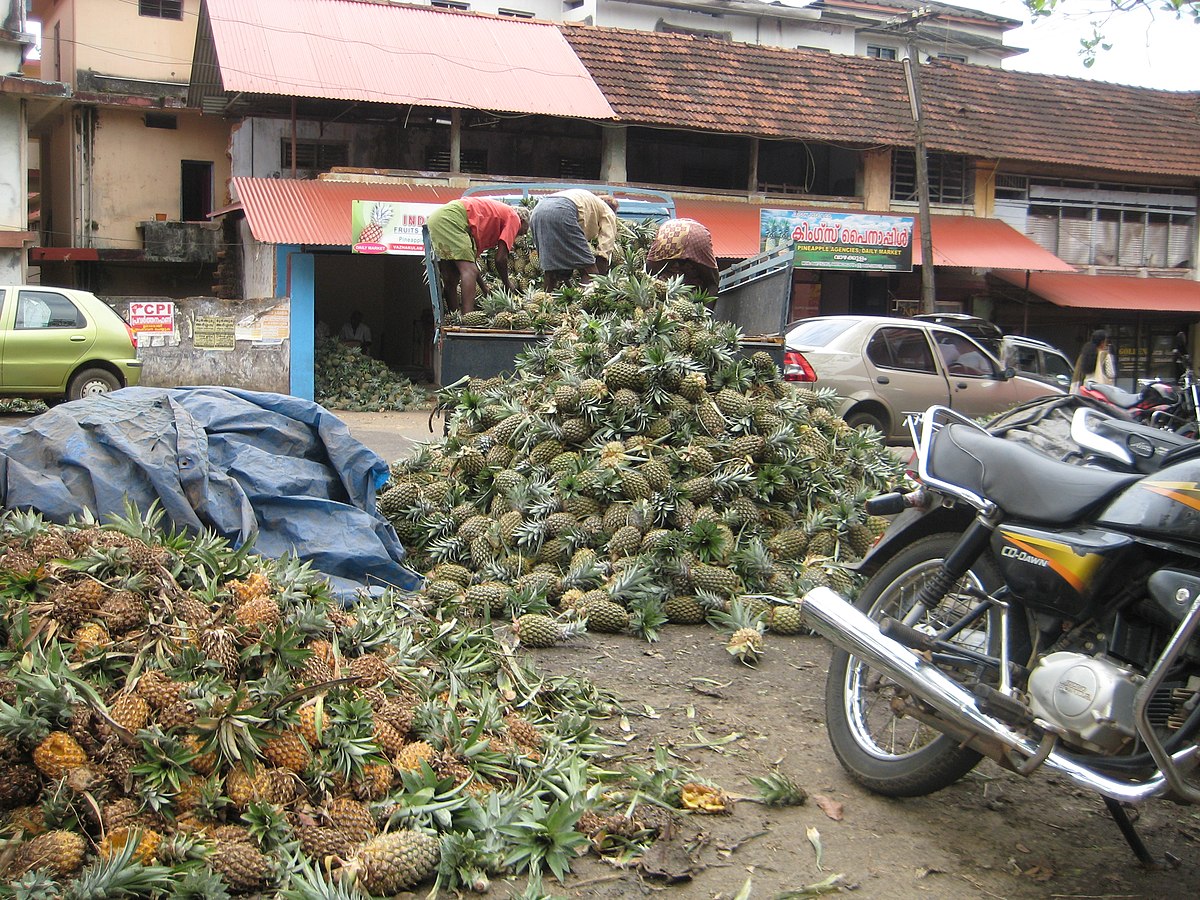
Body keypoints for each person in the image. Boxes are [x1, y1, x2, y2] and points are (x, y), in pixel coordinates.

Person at [426, 198, 530, 314]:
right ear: (523, 221)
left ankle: (453, 315)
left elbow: (472, 261)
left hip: (438, 218)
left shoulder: (492, 224)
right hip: (453, 219)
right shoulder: (514, 217)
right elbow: (500, 259)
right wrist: (507, 283)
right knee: (469, 271)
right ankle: (467, 318)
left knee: (451, 276)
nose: (522, 235)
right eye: (523, 232)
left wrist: (484, 287)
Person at [529, 190, 620, 291]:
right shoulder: (608, 212)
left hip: (538, 211)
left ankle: (546, 301)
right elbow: (604, 251)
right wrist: (599, 281)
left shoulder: (588, 201)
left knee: (551, 271)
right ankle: (583, 302)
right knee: (590, 273)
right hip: (564, 209)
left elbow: (568, 249)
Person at [645, 218, 720, 295]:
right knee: (711, 282)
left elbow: (648, 274)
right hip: (698, 236)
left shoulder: (659, 236)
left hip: (670, 235)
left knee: (649, 275)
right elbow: (712, 283)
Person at [1070, 328, 1115, 393]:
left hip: (1086, 387)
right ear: (1102, 342)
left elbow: (1078, 373)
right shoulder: (1105, 355)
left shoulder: (1085, 354)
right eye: (1106, 341)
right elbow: (1111, 374)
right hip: (1101, 389)